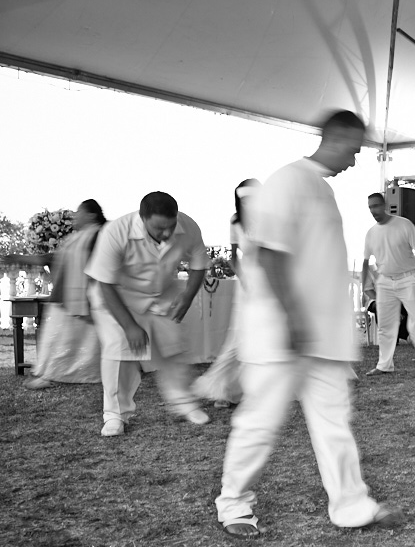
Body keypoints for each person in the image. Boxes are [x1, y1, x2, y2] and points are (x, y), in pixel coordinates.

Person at [215, 110, 401, 538]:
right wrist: (292, 319)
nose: (354, 160)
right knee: (260, 422)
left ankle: (351, 505)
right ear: (337, 138)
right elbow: (269, 253)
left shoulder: (317, 187)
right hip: (283, 334)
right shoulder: (288, 181)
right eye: (354, 149)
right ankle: (234, 503)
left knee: (334, 423)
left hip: (320, 337)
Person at [86, 192, 212, 437]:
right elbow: (105, 284)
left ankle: (183, 401)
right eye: (159, 228)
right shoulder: (115, 232)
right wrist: (130, 326)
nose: (166, 234)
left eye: (171, 226)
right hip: (116, 297)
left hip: (160, 295)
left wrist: (188, 296)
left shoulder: (188, 226)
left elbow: (199, 264)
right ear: (142, 218)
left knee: (173, 345)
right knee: (119, 350)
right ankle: (114, 416)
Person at [2, 199, 107, 388]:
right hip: (65, 295)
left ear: (91, 215)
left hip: (89, 295)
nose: (75, 216)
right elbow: (51, 258)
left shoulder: (100, 235)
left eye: (79, 212)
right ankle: (51, 374)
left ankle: (86, 374)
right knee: (58, 337)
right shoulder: (75, 238)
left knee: (86, 339)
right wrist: (20, 258)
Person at [191, 179, 260, 408]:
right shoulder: (236, 222)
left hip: (268, 283)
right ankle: (221, 388)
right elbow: (232, 256)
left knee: (258, 338)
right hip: (247, 286)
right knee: (238, 339)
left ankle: (241, 391)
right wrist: (245, 280)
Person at [361, 193, 415, 376]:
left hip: (407, 279)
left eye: (376, 206)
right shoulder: (371, 233)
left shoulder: (404, 224)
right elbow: (366, 262)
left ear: (384, 205)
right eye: (370, 207)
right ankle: (384, 365)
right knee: (386, 325)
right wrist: (364, 287)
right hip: (384, 282)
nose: (373, 210)